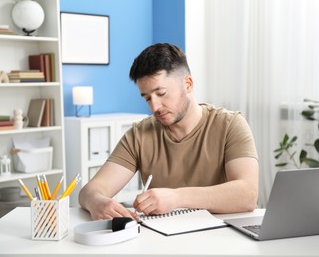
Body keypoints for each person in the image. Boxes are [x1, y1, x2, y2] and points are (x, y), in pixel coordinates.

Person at [79, 43, 259, 221]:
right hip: (165, 242)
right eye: (147, 98)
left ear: (188, 84)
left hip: (222, 241)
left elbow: (248, 194)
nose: (154, 106)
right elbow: (91, 190)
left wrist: (177, 198)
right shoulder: (139, 135)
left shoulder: (230, 125)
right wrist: (98, 202)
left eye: (161, 93)